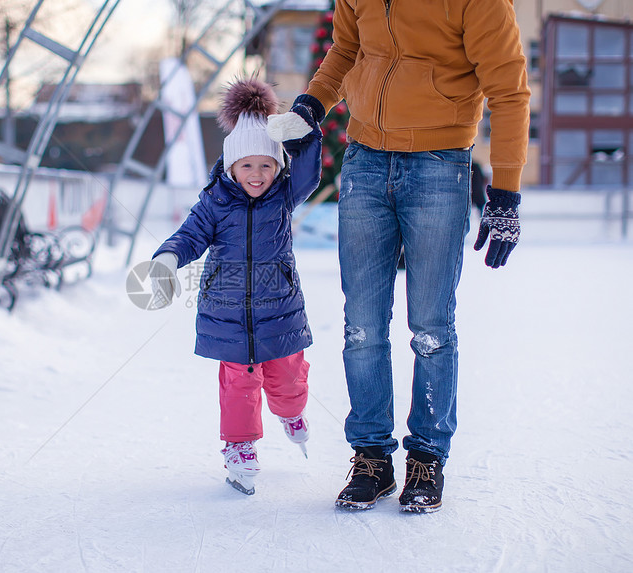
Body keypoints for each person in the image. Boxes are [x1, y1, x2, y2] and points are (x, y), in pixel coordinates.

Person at [267, 0, 530, 512]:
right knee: (361, 324)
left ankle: (427, 458)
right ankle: (371, 458)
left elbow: (509, 90)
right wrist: (312, 104)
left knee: (431, 326)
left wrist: (506, 193)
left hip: (439, 163)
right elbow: (346, 49)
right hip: (365, 160)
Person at [148, 78, 322, 495]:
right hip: (227, 313)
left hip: (279, 312)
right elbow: (189, 235)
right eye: (247, 165)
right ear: (231, 167)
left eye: (266, 165)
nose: (257, 174)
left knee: (287, 384)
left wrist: (306, 136)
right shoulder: (215, 201)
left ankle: (291, 413)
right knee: (238, 384)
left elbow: (310, 171)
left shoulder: (284, 196)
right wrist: (168, 257)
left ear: (277, 168)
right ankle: (239, 446)